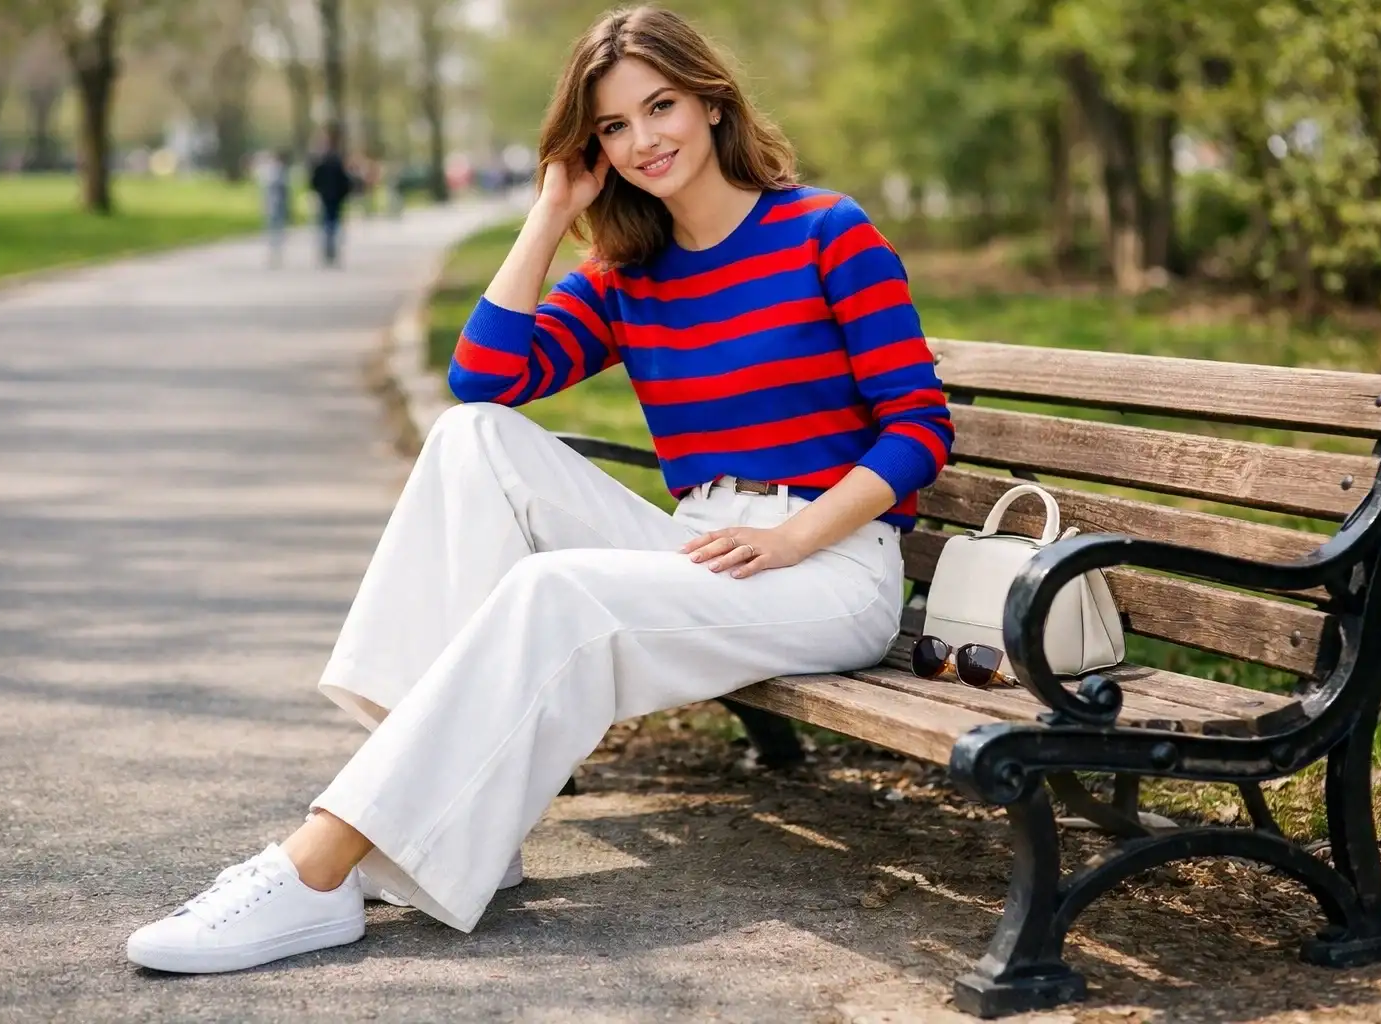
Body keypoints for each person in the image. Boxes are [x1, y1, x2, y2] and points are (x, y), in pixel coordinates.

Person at [125, 4, 953, 975]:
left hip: (827, 571)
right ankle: (444, 811)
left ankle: (318, 867)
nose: (643, 140)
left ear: (712, 101)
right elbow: (484, 378)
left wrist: (798, 536)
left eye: (661, 106)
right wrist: (551, 211)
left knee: (552, 589)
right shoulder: (628, 274)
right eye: (611, 125)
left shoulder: (825, 231)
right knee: (471, 436)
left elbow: (918, 427)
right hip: (704, 547)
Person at [308, 125, 355, 267]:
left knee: (326, 223)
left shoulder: (323, 159)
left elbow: (314, 178)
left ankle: (328, 249)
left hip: (327, 196)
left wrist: (318, 189)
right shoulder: (336, 160)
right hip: (334, 196)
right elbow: (344, 179)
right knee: (332, 223)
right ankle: (331, 249)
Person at [258, 149, 292, 267]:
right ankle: (274, 252)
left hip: (274, 204)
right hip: (275, 204)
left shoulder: (274, 172)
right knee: (276, 229)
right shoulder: (279, 172)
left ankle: (274, 252)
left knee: (275, 229)